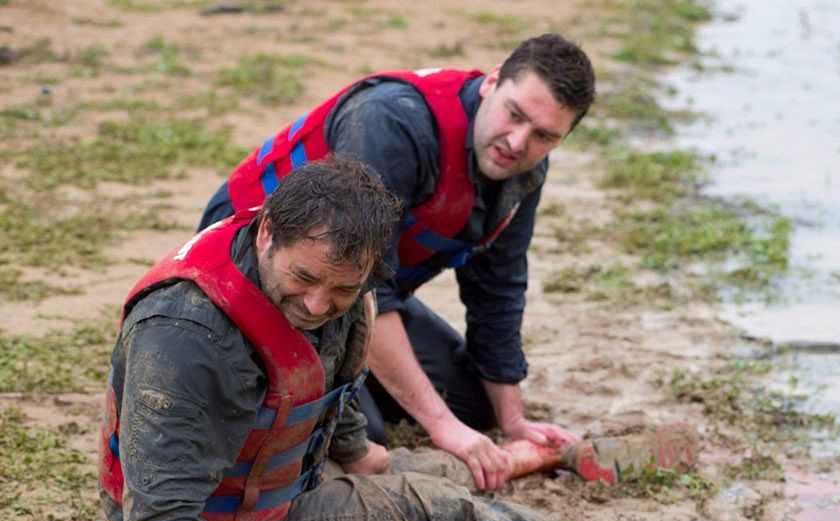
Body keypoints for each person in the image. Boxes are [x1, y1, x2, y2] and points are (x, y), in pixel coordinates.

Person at [99, 158, 748, 521]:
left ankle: (549, 457)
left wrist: (357, 453)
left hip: (282, 469)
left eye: (342, 288)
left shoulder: (339, 284)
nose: (318, 303)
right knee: (441, 513)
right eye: (304, 280)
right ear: (266, 232)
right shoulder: (184, 334)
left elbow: (328, 374)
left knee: (449, 468)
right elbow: (158, 511)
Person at [197, 33, 594, 493]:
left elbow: (499, 287)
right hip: (259, 274)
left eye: (544, 136)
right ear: (491, 83)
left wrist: (513, 421)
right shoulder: (391, 122)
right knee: (362, 437)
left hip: (344, 293)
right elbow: (369, 289)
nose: (518, 141)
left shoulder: (522, 168)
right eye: (515, 114)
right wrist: (441, 429)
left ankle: (345, 386)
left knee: (471, 405)